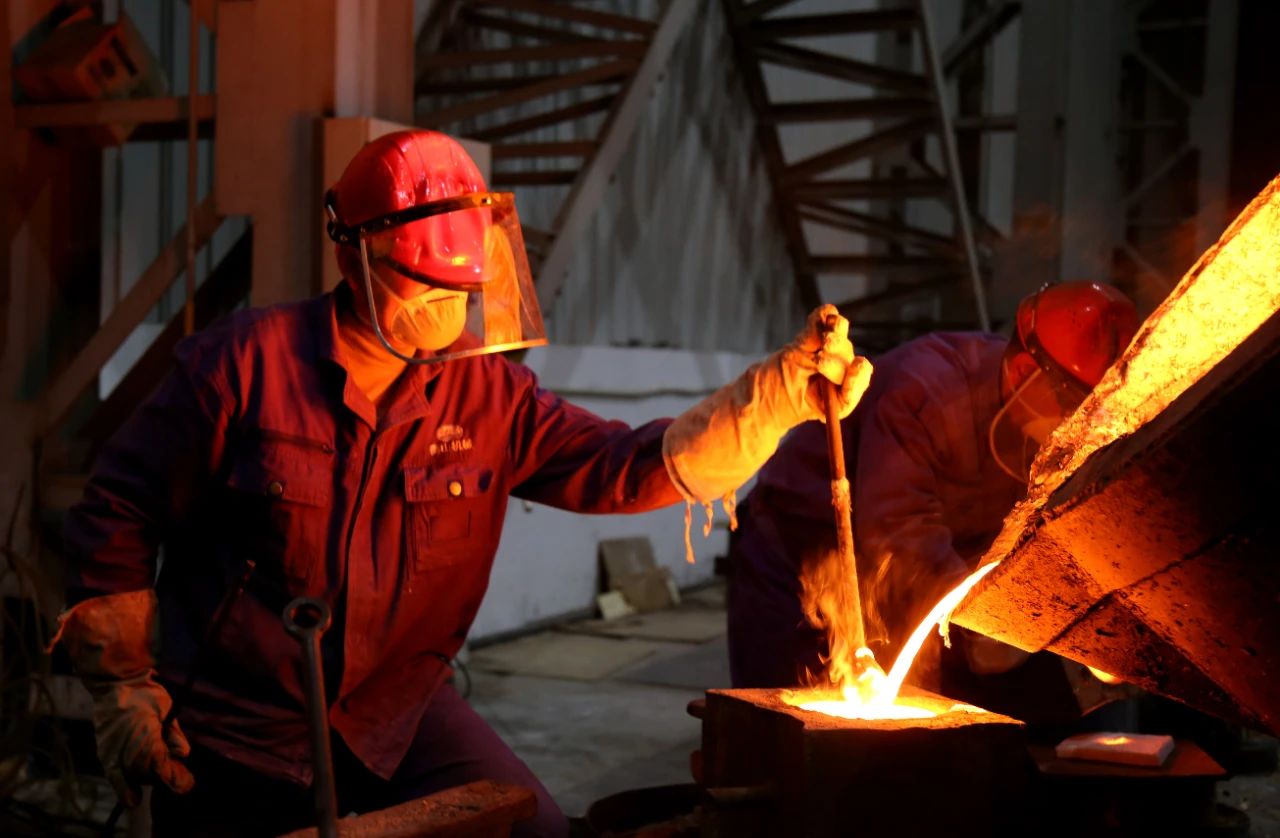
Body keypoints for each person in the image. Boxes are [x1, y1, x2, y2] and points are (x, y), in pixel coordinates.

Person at [52, 129, 873, 838]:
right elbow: (118, 506)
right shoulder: (244, 364)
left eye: (461, 290)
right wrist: (123, 683)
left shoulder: (488, 395)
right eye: (426, 285)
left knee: (532, 828)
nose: (448, 309)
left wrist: (769, 403)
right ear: (352, 257)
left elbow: (623, 468)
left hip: (395, 711)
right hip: (239, 722)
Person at [726, 281, 1140, 713]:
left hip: (888, 573)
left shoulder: (1039, 426)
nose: (1084, 429)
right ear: (1022, 372)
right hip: (793, 558)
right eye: (1076, 406)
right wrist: (985, 622)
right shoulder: (926, 390)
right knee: (789, 725)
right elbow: (900, 540)